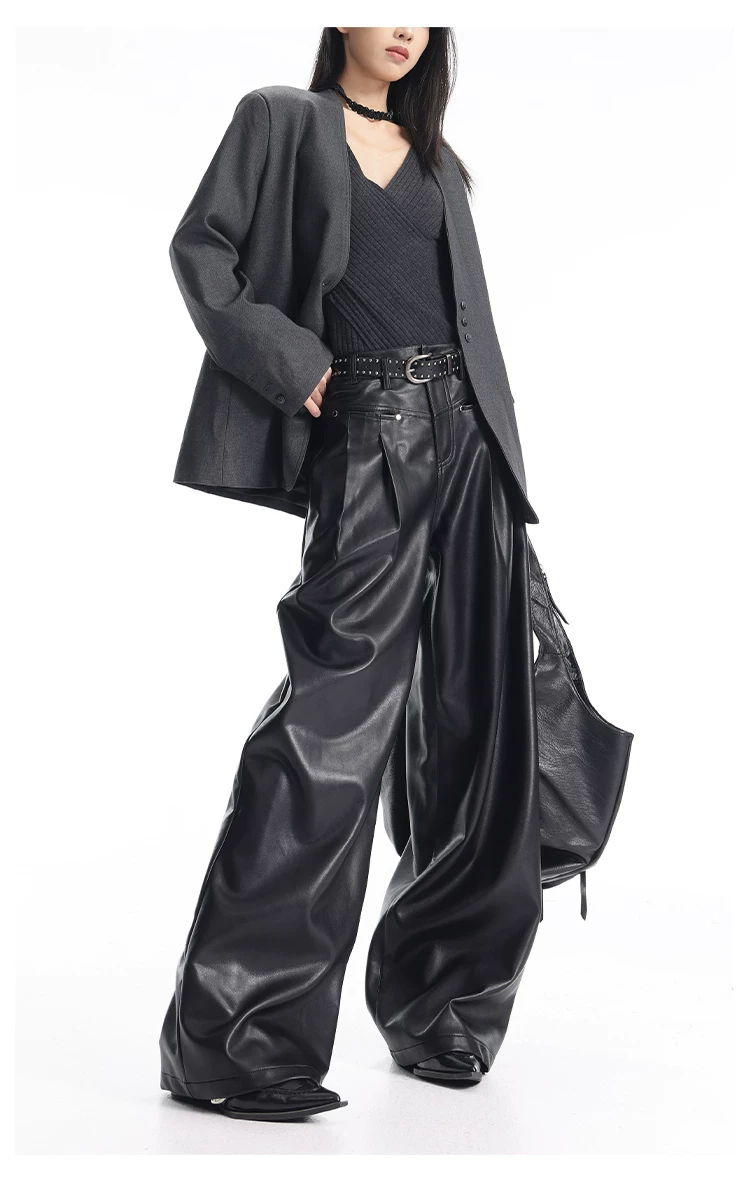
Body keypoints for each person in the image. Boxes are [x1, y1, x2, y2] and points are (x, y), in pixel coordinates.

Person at [159, 26, 543, 1123]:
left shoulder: (437, 159)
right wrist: (294, 364)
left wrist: (504, 472)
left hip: (471, 444)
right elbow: (202, 250)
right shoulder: (282, 118)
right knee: (329, 728)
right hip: (371, 432)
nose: (405, 24)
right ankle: (234, 1041)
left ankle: (439, 1006)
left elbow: (468, 321)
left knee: (477, 732)